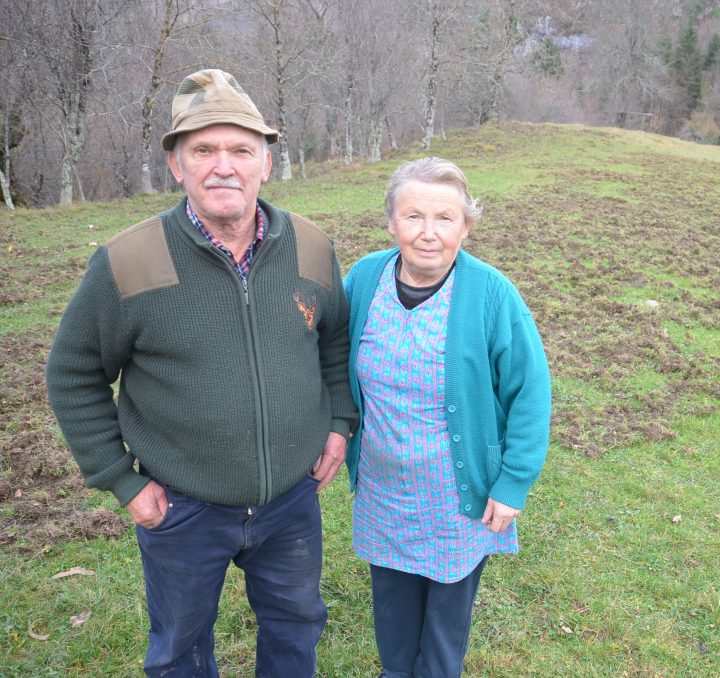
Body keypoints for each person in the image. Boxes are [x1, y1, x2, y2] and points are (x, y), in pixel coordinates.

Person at [45, 68, 358, 677]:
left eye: (241, 150)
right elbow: (73, 372)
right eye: (204, 150)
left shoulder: (312, 247)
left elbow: (334, 343)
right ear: (176, 165)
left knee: (296, 629)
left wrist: (340, 420)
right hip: (182, 508)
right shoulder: (127, 261)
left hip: (290, 500)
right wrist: (122, 481)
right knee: (180, 650)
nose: (224, 166)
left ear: (266, 162)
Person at [343, 157, 552, 677]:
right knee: (393, 623)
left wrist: (513, 483)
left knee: (440, 640)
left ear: (467, 225)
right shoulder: (364, 278)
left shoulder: (491, 293)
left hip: (458, 497)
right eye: (413, 217)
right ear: (391, 222)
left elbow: (530, 390)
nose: (428, 233)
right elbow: (330, 361)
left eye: (445, 218)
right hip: (384, 490)